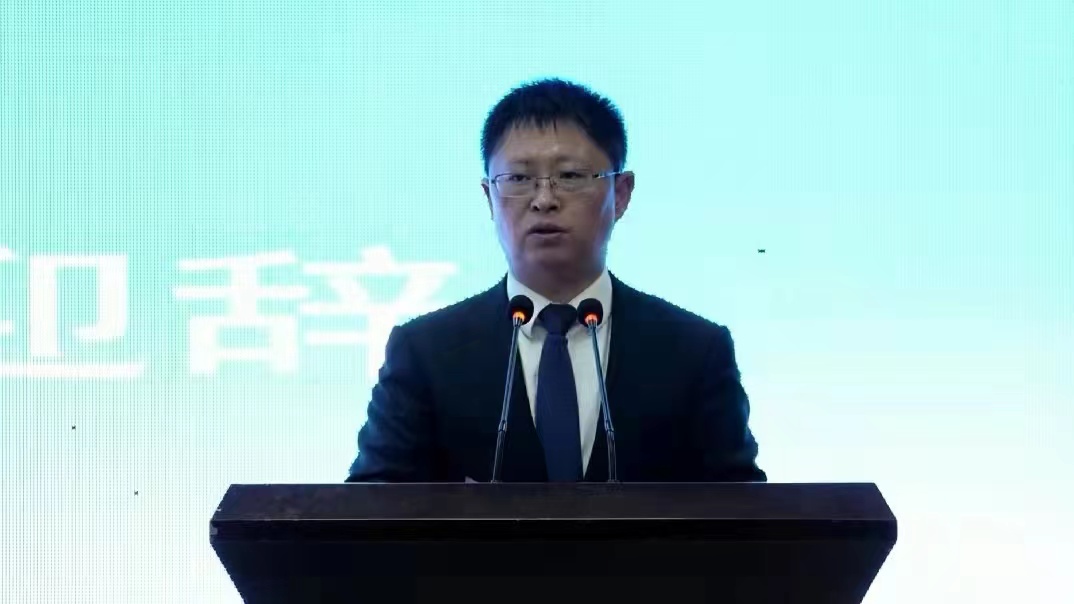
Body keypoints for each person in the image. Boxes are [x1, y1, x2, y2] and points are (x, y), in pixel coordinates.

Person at [346, 78, 765, 483]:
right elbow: (369, 505)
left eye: (570, 176)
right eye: (518, 179)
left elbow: (744, 510)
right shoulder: (425, 352)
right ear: (489, 197)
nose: (544, 199)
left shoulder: (694, 351)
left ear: (620, 193)